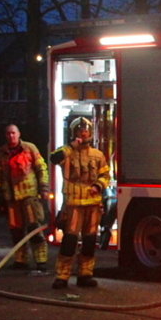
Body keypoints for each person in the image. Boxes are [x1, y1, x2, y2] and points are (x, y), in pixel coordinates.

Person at [49, 117, 109, 289]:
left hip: (93, 204)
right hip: (73, 204)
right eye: (79, 130)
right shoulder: (67, 153)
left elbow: (105, 175)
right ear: (73, 133)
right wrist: (71, 146)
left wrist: (98, 186)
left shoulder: (97, 155)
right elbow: (53, 158)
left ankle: (85, 275)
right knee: (69, 241)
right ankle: (62, 276)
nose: (83, 133)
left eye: (86, 130)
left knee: (90, 241)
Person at [0, 124, 50, 272]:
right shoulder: (1, 152)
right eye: (8, 134)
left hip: (29, 196)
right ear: (6, 136)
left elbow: (41, 168)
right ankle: (20, 260)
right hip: (11, 198)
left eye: (13, 133)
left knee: (34, 229)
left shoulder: (30, 149)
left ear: (19, 134)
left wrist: (44, 188)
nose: (11, 136)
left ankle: (41, 261)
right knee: (16, 231)